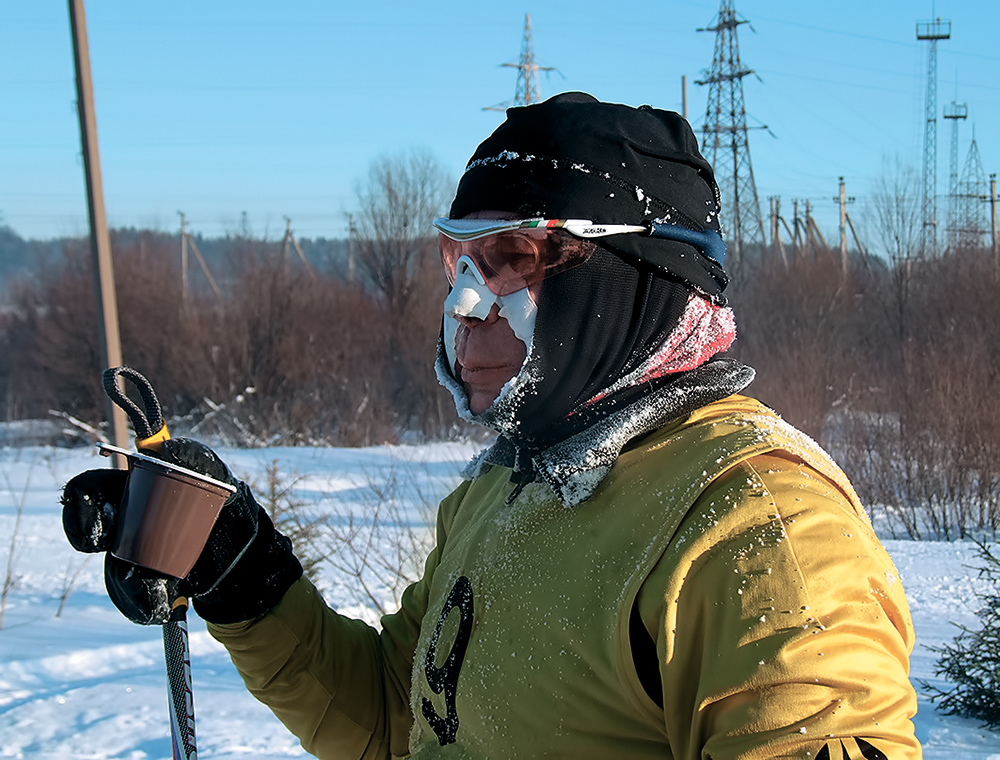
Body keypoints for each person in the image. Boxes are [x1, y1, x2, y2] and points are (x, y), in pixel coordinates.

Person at [62, 92, 921, 759]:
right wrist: (241, 571)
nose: (464, 302)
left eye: (513, 257)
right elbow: (400, 724)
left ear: (636, 276)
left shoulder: (757, 522)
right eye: (460, 260)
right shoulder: (508, 486)